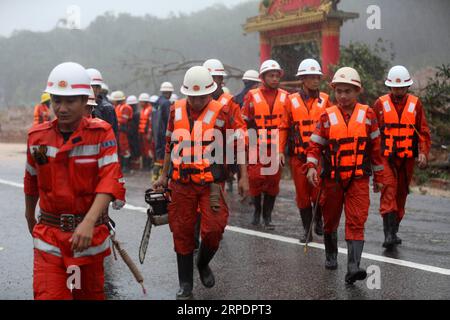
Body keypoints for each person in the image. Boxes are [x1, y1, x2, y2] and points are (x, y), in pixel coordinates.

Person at [24, 62, 125, 300]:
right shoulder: (37, 138)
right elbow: (31, 180)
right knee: (50, 295)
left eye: (70, 101)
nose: (62, 108)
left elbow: (110, 180)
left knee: (85, 295)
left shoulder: (102, 134)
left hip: (87, 243)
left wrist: (89, 222)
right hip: (50, 238)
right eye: (57, 100)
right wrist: (29, 215)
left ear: (84, 101)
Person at [153, 66, 249, 300]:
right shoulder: (175, 111)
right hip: (181, 183)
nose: (197, 102)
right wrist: (163, 175)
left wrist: (244, 176)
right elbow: (169, 146)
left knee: (215, 228)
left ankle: (203, 262)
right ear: (186, 93)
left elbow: (239, 144)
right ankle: (185, 284)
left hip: (212, 183)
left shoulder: (224, 111)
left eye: (202, 97)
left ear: (211, 93)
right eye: (192, 97)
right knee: (182, 231)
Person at [306, 67, 384, 284]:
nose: (342, 95)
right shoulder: (326, 117)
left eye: (347, 91)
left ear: (357, 91)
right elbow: (313, 147)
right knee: (330, 221)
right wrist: (311, 167)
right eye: (339, 91)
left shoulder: (368, 115)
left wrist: (379, 178)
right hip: (332, 180)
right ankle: (330, 254)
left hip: (358, 179)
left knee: (357, 220)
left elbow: (376, 150)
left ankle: (353, 266)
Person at [373, 65, 431, 248]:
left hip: (407, 159)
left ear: (407, 86)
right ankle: (388, 235)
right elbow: (372, 133)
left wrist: (423, 152)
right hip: (386, 156)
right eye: (395, 87)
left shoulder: (416, 104)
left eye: (402, 87)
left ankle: (394, 230)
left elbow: (423, 131)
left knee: (401, 194)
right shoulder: (380, 104)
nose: (398, 90)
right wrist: (371, 159)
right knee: (388, 191)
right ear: (389, 87)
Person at [285, 58, 330, 243]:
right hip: (298, 156)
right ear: (302, 79)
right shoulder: (290, 101)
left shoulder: (326, 99)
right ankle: (307, 230)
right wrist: (280, 151)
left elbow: (332, 126)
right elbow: (283, 127)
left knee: (318, 191)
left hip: (318, 156)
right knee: (302, 195)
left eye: (317, 77)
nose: (315, 80)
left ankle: (318, 219)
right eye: (311, 77)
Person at [242, 59, 288, 230]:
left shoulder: (286, 97)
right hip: (256, 144)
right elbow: (244, 121)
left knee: (272, 181)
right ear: (263, 77)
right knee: (255, 178)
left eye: (277, 76)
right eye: (271, 75)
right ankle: (257, 211)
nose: (275, 79)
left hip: (276, 145)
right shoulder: (251, 96)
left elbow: (289, 123)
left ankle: (267, 216)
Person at [86, 68, 118, 139]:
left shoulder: (107, 108)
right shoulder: (79, 106)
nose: (89, 90)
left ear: (99, 89)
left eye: (91, 87)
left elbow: (112, 134)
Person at [153, 82, 174, 182]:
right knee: (164, 157)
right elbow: (169, 120)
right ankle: (161, 179)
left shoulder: (157, 102)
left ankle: (155, 178)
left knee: (158, 157)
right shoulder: (166, 103)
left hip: (156, 133)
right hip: (164, 134)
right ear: (169, 92)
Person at [111, 91, 133, 173]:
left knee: (125, 148)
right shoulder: (117, 107)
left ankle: (126, 167)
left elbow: (124, 120)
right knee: (119, 148)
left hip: (124, 131)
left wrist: (115, 121)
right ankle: (122, 166)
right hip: (119, 131)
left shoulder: (125, 107)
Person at [138, 93, 154, 171]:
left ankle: (148, 166)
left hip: (146, 134)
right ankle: (145, 166)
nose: (140, 103)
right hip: (142, 133)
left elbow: (150, 123)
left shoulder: (149, 109)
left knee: (148, 150)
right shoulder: (143, 109)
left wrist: (149, 133)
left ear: (146, 102)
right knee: (143, 150)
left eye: (141, 102)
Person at [126, 95, 141, 170]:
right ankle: (133, 166)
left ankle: (135, 166)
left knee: (135, 150)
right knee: (132, 149)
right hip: (131, 134)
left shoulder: (136, 114)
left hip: (134, 135)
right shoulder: (135, 114)